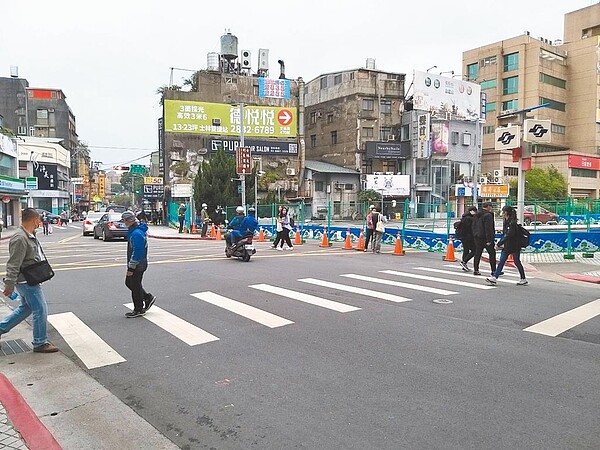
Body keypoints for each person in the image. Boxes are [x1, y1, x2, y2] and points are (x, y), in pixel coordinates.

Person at [0, 208, 58, 352]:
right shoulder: (20, 238)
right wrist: (9, 284)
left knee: (26, 309)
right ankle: (40, 342)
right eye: (38, 220)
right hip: (26, 281)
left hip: (29, 279)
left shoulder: (28, 235)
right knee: (40, 309)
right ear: (34, 219)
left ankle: (1, 329)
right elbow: (13, 263)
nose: (40, 222)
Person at [122, 211, 155, 318]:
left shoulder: (136, 233)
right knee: (130, 283)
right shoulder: (135, 231)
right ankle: (147, 297)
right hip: (138, 263)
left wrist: (131, 267)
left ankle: (139, 309)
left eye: (124, 220)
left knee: (134, 285)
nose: (123, 222)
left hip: (137, 265)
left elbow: (138, 251)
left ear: (129, 221)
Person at [486, 205, 528, 286]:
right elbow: (508, 234)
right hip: (512, 245)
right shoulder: (508, 221)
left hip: (511, 245)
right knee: (512, 261)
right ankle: (522, 278)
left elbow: (509, 235)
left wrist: (499, 243)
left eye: (503, 212)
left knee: (509, 261)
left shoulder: (512, 223)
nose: (502, 213)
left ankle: (495, 277)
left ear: (507, 213)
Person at [472, 202, 497, 276]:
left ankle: (476, 270)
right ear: (488, 206)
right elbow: (488, 228)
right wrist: (489, 239)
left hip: (477, 237)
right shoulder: (488, 215)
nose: (491, 208)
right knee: (492, 254)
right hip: (486, 238)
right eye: (491, 207)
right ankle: (493, 270)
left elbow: (473, 226)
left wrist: (475, 234)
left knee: (478, 253)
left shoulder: (476, 215)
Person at [459, 206, 478, 271]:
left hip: (463, 237)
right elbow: (471, 228)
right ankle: (464, 262)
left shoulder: (464, 217)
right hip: (468, 237)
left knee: (466, 250)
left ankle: (464, 264)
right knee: (474, 250)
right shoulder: (469, 219)